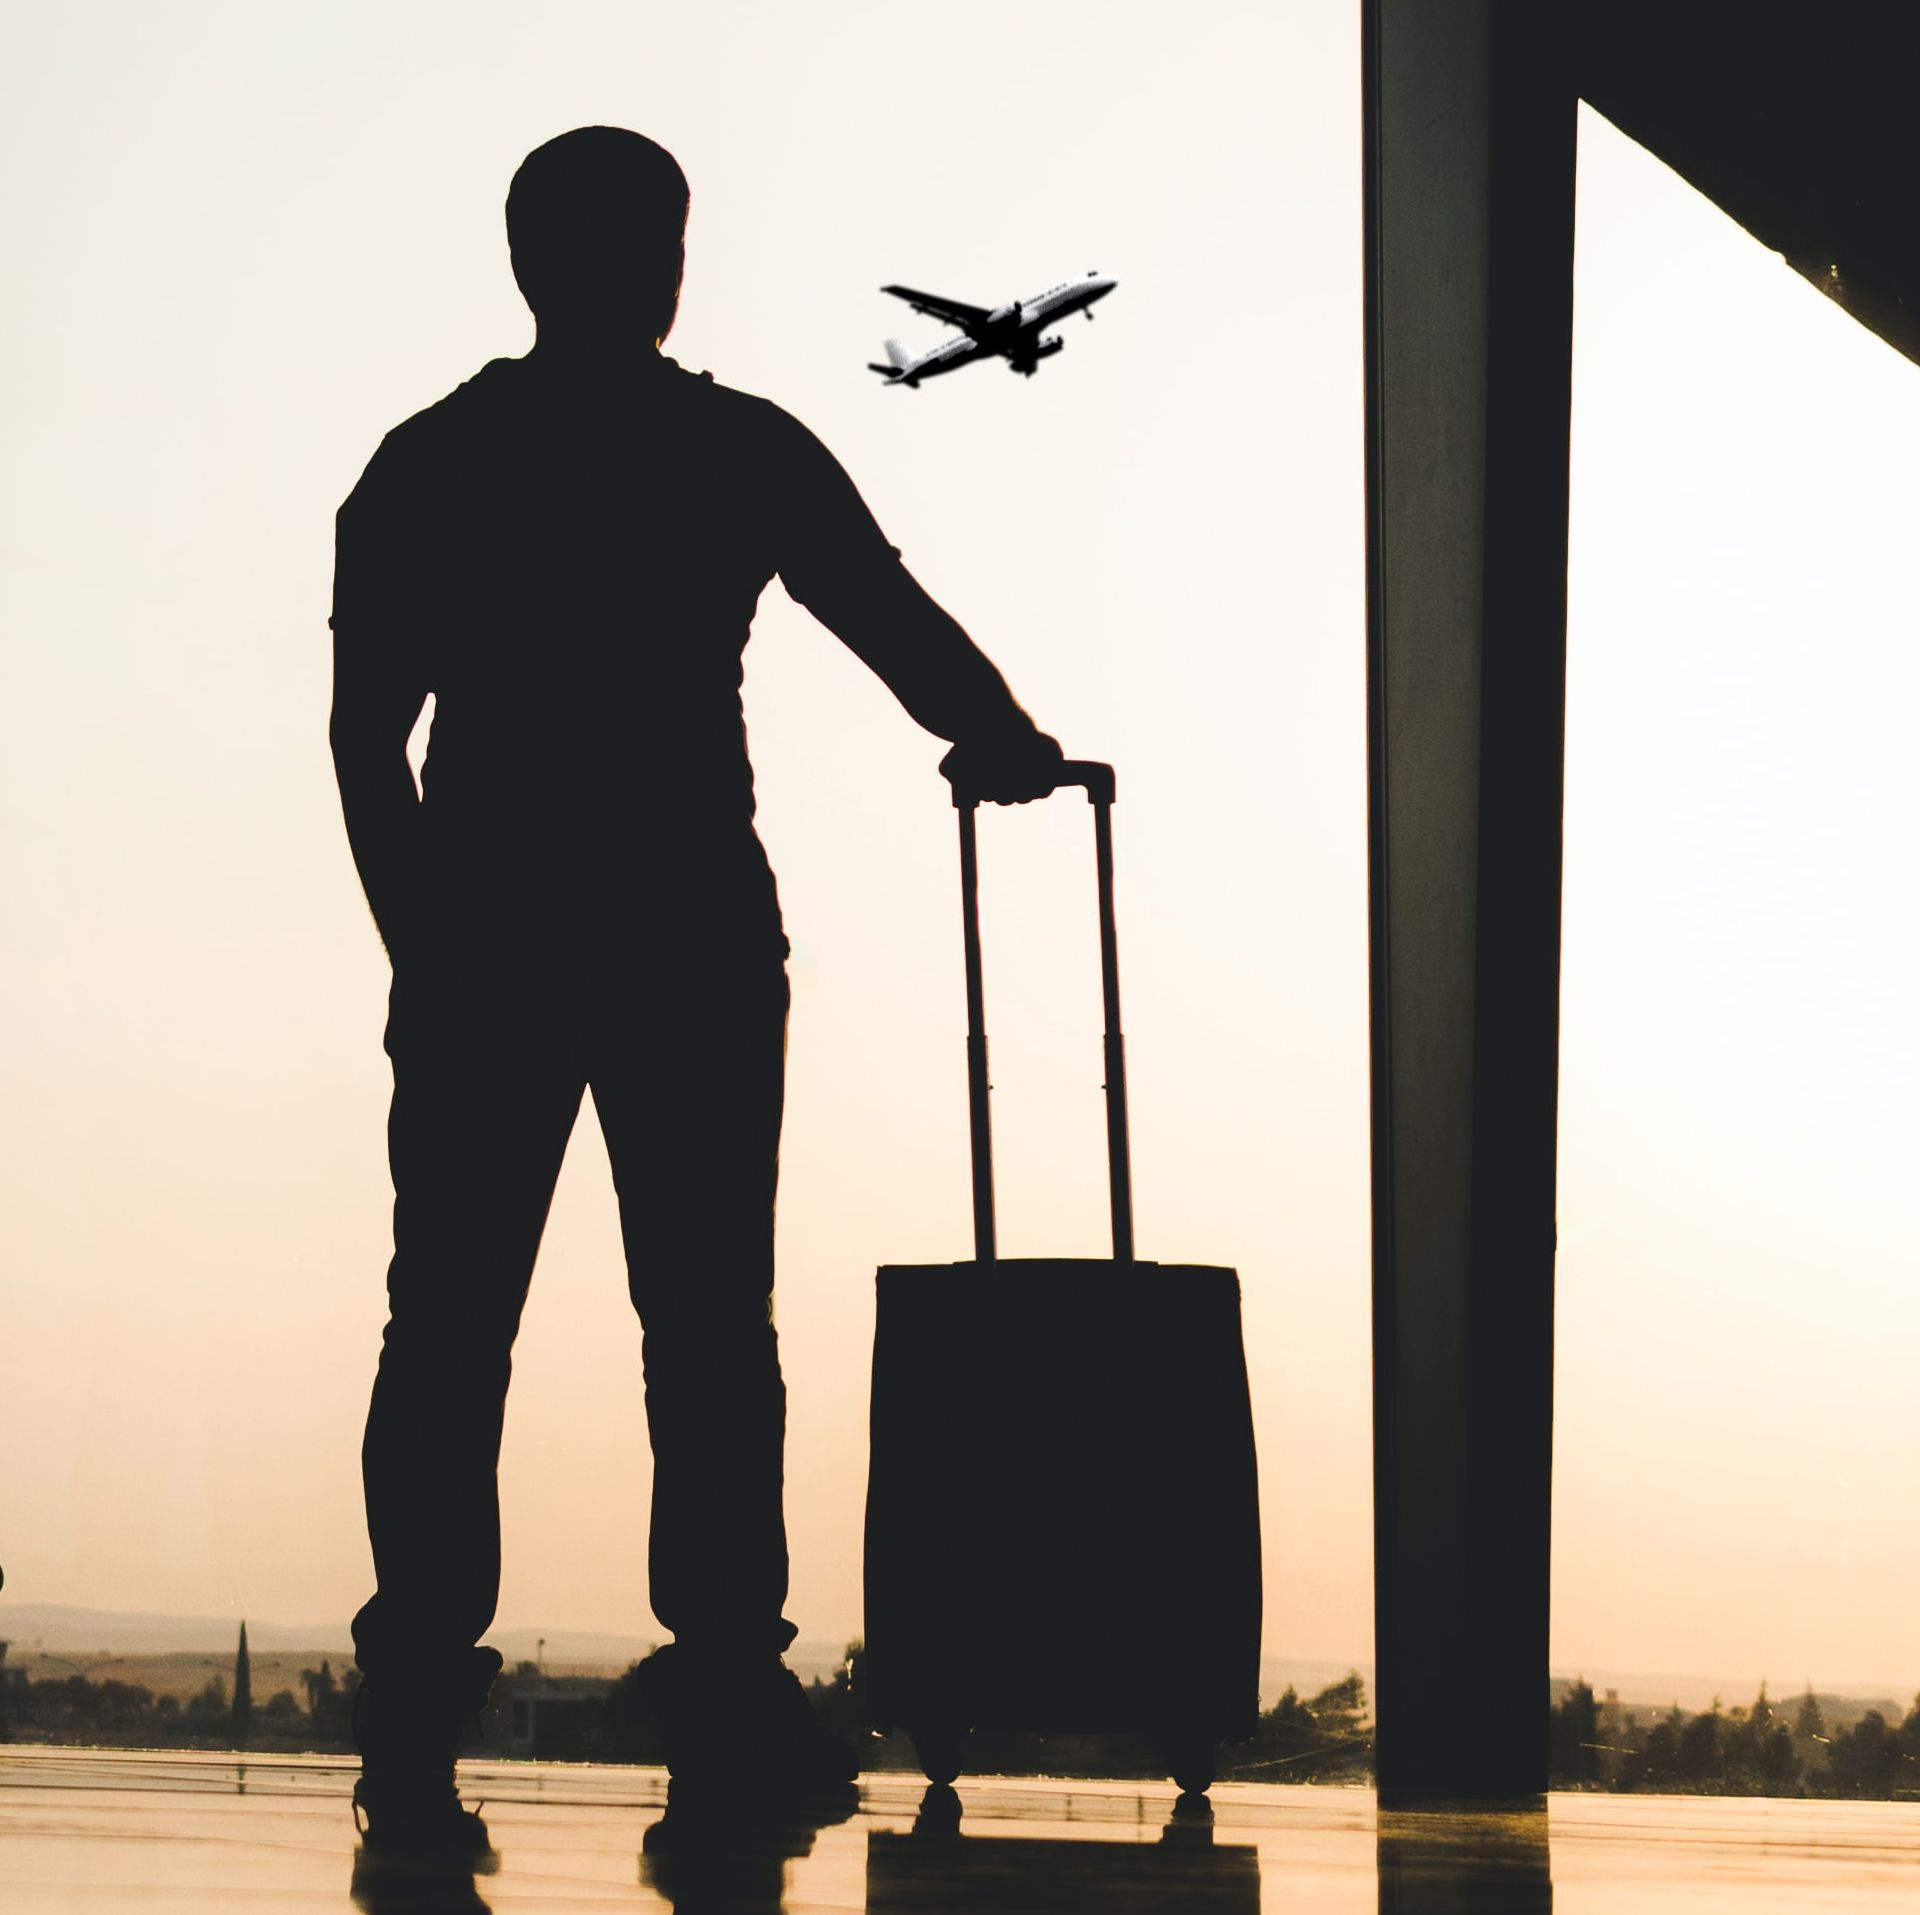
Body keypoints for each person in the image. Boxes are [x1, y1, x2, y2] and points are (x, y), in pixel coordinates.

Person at [329, 125, 1064, 1853]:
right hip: (691, 943)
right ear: (666, 263)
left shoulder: (432, 465)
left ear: (524, 263)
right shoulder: (731, 450)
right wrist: (1006, 738)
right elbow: (883, 614)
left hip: (493, 942)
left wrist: (423, 949)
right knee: (713, 1341)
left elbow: (371, 742)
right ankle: (726, 1689)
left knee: (447, 1338)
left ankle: (417, 1718)